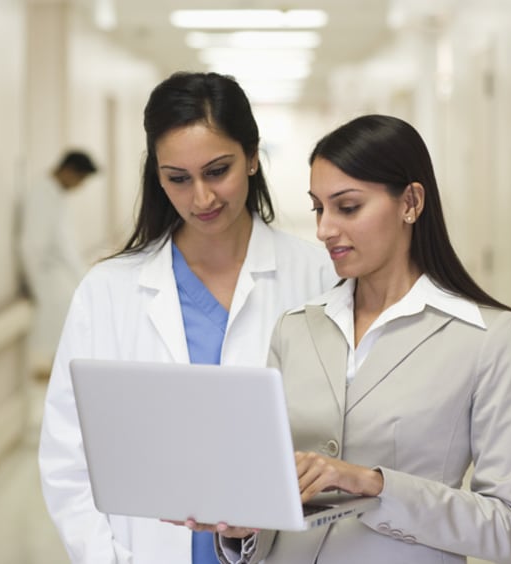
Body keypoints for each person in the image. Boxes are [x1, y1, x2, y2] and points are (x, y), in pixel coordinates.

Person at [212, 114, 511, 564]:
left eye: (347, 208)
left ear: (410, 201)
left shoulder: (487, 339)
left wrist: (374, 484)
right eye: (318, 208)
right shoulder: (295, 327)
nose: (325, 229)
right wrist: (242, 529)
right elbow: (274, 491)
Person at [38, 71, 336, 564]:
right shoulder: (108, 291)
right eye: (178, 178)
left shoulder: (321, 278)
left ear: (253, 156)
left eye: (218, 170)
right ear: (157, 175)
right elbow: (67, 457)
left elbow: (346, 442)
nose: (202, 198)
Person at [18, 150, 98, 378]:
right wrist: (36, 285)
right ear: (69, 171)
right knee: (55, 340)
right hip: (47, 280)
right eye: (80, 179)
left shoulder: (55, 195)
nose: (80, 186)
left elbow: (65, 245)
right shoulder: (42, 194)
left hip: (59, 278)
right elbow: (32, 244)